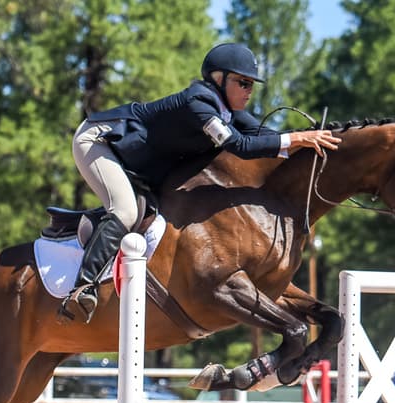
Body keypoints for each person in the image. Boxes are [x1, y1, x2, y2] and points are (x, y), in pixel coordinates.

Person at [61, 42, 341, 322]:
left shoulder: (230, 113)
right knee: (126, 211)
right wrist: (295, 140)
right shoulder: (199, 103)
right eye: (243, 82)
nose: (249, 90)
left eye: (251, 84)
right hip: (100, 141)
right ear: (218, 78)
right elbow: (239, 145)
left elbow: (266, 136)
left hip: (137, 161)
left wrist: (311, 143)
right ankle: (83, 287)